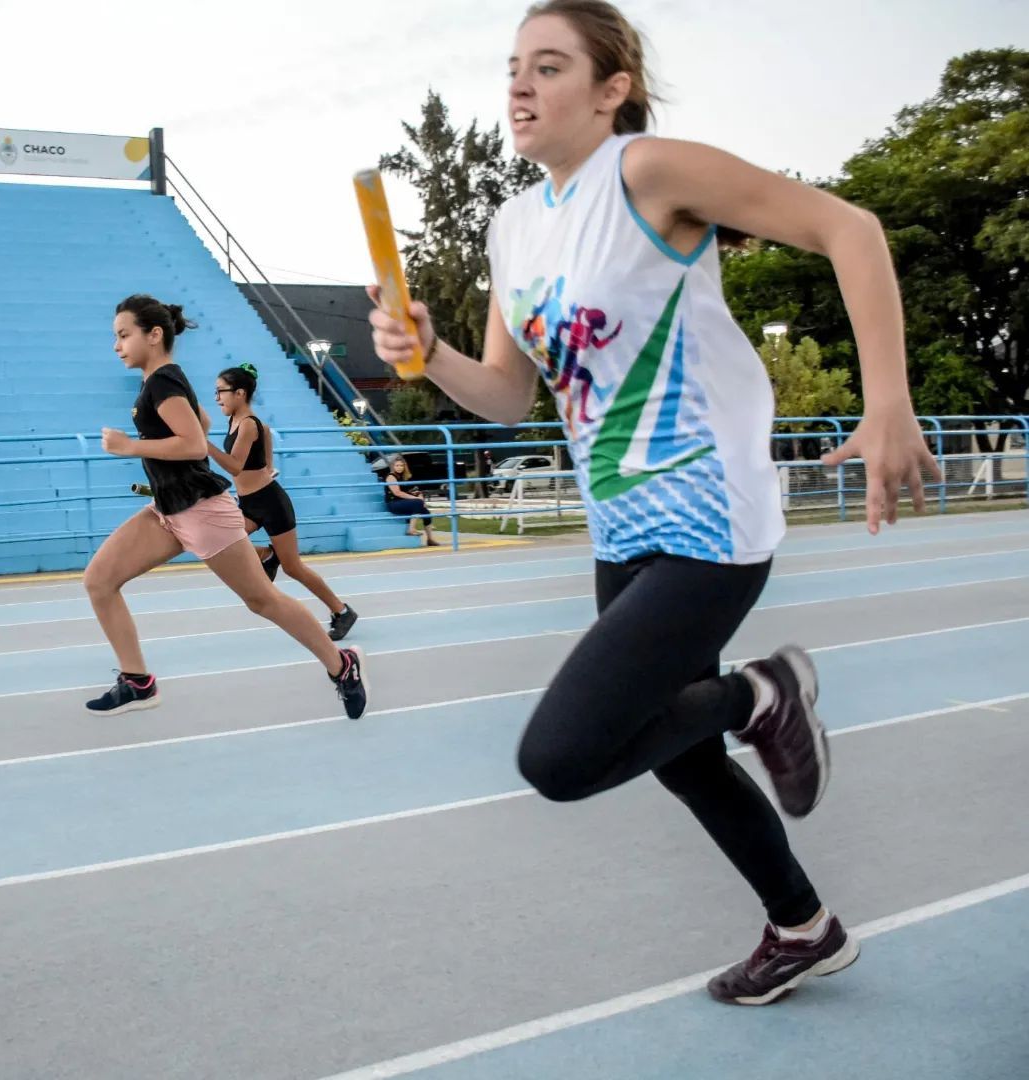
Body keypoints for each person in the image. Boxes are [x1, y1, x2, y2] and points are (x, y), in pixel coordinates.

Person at [368, 0, 940, 1005]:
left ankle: (759, 694)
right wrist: (431, 355)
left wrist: (888, 401)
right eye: (513, 67)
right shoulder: (513, 227)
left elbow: (850, 228)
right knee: (679, 758)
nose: (519, 85)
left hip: (710, 516)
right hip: (622, 526)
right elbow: (507, 395)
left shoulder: (647, 172)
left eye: (549, 67)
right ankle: (802, 926)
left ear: (611, 88)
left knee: (563, 757)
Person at [83, 294, 367, 719]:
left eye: (124, 335)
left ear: (154, 335)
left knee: (262, 600)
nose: (116, 345)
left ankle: (341, 665)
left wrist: (130, 447)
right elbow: (206, 423)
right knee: (99, 580)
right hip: (168, 509)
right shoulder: (161, 381)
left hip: (201, 510)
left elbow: (196, 442)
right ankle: (137, 681)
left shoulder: (162, 382)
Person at [206, 362, 358, 641]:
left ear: (239, 393)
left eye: (221, 392)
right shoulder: (240, 422)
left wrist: (203, 445)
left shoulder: (251, 425)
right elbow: (266, 457)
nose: (217, 398)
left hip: (271, 503)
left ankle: (342, 610)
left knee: (293, 567)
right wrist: (267, 469)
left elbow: (235, 466)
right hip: (250, 503)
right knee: (220, 542)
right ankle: (267, 553)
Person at [383, 455, 441, 546]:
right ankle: (411, 529)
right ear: (393, 466)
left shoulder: (406, 477)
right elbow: (397, 493)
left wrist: (422, 499)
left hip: (406, 503)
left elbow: (416, 490)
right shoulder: (391, 477)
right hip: (394, 504)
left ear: (404, 466)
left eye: (401, 465)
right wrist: (417, 499)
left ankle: (430, 539)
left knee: (426, 512)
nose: (399, 468)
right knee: (417, 502)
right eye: (397, 465)